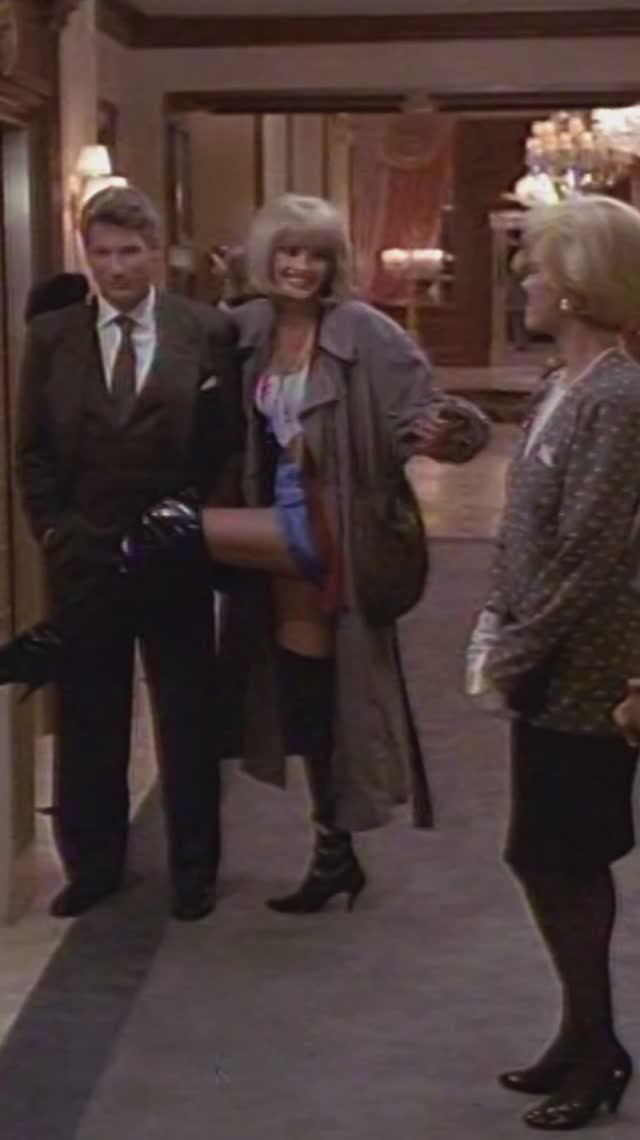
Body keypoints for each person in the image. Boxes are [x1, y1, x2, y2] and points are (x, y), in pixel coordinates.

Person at [123, 193, 490, 915]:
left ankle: (76, 647)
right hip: (279, 510)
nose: (301, 266)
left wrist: (449, 432)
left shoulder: (365, 331)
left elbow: (434, 414)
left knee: (167, 531)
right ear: (268, 256)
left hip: (334, 522)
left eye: (315, 255)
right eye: (289, 252)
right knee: (310, 692)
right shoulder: (248, 326)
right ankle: (334, 854)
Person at [14, 185, 240, 921]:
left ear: (156, 253)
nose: (116, 268)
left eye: (130, 252)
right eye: (102, 253)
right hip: (84, 556)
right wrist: (54, 530)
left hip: (174, 554)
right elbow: (31, 449)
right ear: (87, 255)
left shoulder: (204, 330)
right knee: (88, 717)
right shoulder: (52, 336)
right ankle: (94, 865)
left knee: (187, 716)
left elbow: (227, 446)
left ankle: (194, 869)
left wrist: (197, 521)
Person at [469, 195, 640, 1130]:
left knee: (561, 855)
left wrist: (513, 646)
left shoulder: (619, 397)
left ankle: (601, 1048)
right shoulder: (560, 385)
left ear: (575, 286)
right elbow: (530, 531)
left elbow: (592, 552)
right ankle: (580, 1034)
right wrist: (503, 620)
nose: (524, 283)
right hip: (547, 655)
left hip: (589, 666)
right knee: (542, 854)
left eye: (536, 268)